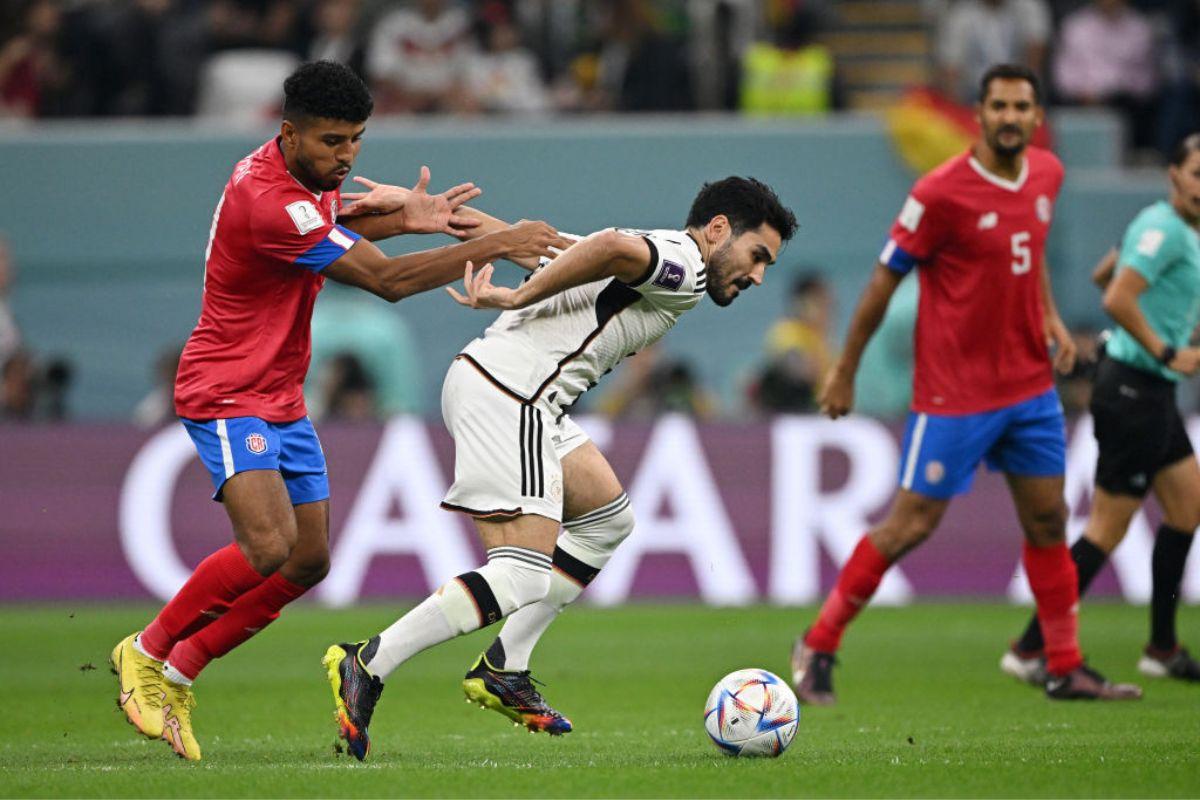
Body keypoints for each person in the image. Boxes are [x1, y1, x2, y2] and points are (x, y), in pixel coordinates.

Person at [108, 59, 569, 762]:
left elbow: (336, 230)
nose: (346, 156)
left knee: (307, 561)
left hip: (279, 393)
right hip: (228, 388)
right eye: (332, 142)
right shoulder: (269, 199)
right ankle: (144, 652)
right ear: (288, 133)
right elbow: (381, 283)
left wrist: (405, 218)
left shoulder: (300, 180)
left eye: (355, 140)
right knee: (266, 545)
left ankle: (180, 671)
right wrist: (495, 244)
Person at [320, 176, 797, 761]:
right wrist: (520, 297)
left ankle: (505, 667)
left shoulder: (658, 254)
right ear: (719, 229)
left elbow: (536, 246)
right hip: (511, 393)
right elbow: (607, 249)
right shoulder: (684, 265)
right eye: (758, 257)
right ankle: (367, 662)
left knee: (606, 520)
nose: (757, 276)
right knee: (520, 575)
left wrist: (432, 212)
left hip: (520, 395)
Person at [789, 63, 1143, 706]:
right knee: (910, 525)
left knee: (1047, 519)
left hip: (1030, 389)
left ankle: (1062, 663)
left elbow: (1026, 255)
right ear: (978, 114)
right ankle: (819, 642)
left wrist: (1051, 318)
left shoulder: (1047, 174)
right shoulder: (940, 193)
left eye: (1022, 107)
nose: (1010, 117)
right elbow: (882, 281)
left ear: (1038, 118)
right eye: (999, 106)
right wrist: (845, 367)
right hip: (954, 395)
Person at [1003, 134, 1200, 685]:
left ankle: (1162, 647)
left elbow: (1103, 273)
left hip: (1151, 392)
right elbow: (1114, 297)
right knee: (1107, 529)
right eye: (1197, 174)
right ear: (1174, 176)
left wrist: (1174, 325)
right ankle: (1029, 646)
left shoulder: (1166, 227)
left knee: (1187, 507)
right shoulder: (1167, 232)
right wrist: (1165, 347)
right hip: (1135, 388)